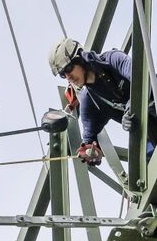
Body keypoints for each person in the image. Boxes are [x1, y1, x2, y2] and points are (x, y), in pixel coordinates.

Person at [48, 37, 157, 165]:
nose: (68, 77)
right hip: (151, 133)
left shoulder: (113, 60)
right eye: (63, 74)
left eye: (68, 69)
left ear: (80, 58)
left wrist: (131, 107)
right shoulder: (89, 101)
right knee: (144, 159)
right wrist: (91, 152)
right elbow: (89, 140)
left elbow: (145, 80)